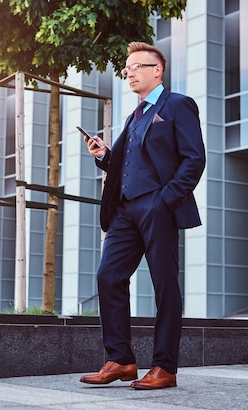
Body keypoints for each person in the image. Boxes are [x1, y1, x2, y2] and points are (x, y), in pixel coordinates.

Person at [79, 41, 206, 390]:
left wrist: (165, 200)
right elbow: (125, 164)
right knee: (108, 276)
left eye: (136, 66)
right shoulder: (132, 117)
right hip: (124, 209)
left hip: (158, 206)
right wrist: (104, 154)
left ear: (157, 70)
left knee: (164, 284)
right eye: (126, 68)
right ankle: (121, 359)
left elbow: (194, 158)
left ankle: (164, 367)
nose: (128, 72)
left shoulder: (178, 105)